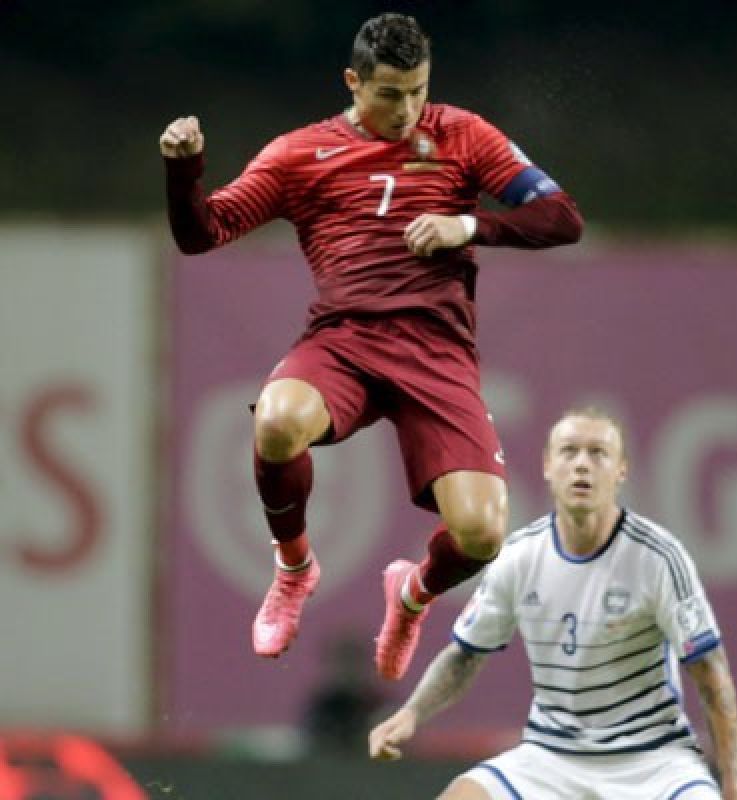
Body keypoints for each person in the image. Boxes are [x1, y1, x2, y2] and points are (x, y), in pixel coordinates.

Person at [158, 13, 583, 681]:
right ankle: (294, 569)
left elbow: (562, 217)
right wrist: (183, 174)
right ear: (353, 82)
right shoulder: (300, 154)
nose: (408, 109)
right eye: (389, 94)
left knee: (481, 538)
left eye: (419, 90)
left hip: (437, 354)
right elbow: (201, 233)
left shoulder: (463, 134)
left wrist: (467, 224)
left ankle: (410, 595)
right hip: (345, 341)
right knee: (275, 421)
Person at [369, 409, 737, 800]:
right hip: (550, 757)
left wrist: (734, 777)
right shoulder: (520, 555)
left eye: (598, 453)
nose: (582, 464)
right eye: (569, 452)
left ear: (621, 470)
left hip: (653, 760)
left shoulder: (658, 558)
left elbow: (709, 669)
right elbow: (465, 656)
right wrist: (411, 714)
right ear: (548, 466)